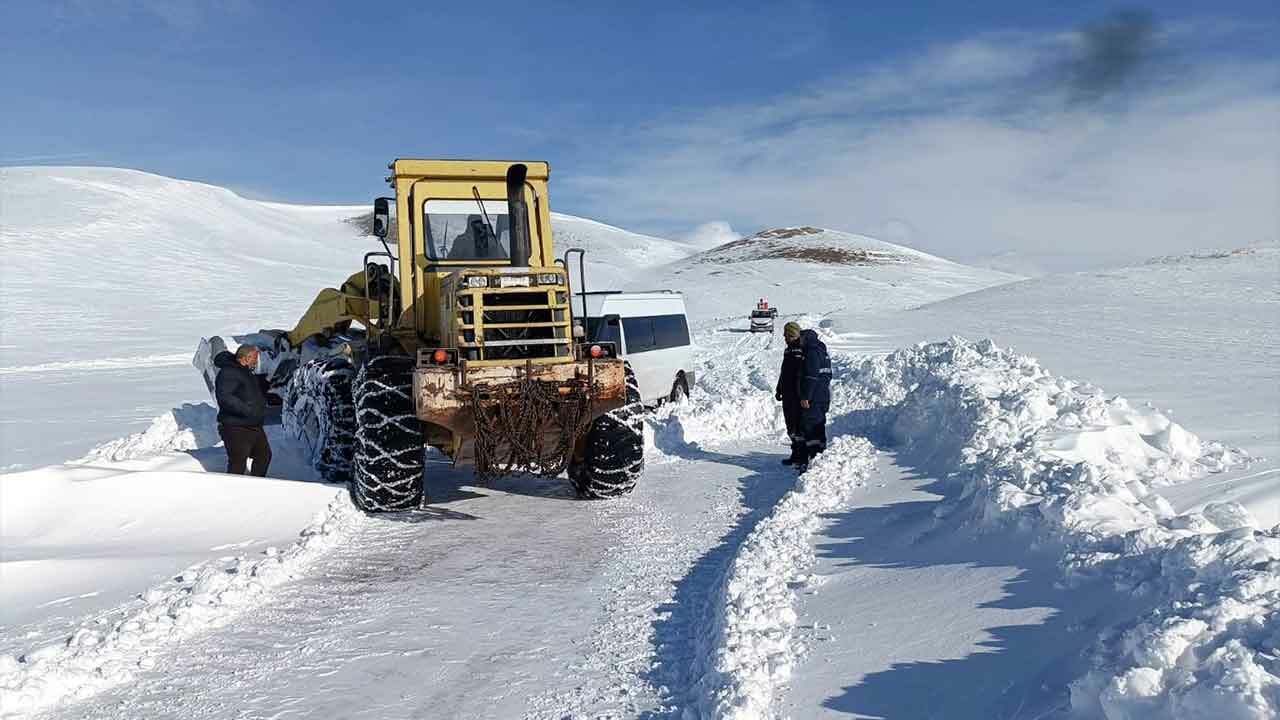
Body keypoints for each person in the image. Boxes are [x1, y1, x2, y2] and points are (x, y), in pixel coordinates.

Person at [213, 345, 272, 476]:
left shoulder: (245, 371)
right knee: (238, 462)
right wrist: (247, 410)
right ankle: (233, 491)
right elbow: (225, 396)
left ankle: (257, 486)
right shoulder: (229, 372)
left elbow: (247, 391)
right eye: (255, 358)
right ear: (246, 358)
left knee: (264, 456)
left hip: (253, 425)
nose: (256, 362)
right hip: (235, 426)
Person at [797, 326, 833, 470]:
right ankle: (820, 458)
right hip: (823, 395)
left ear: (805, 338)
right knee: (819, 427)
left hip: (814, 398)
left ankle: (813, 462)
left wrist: (806, 396)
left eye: (800, 339)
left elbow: (811, 376)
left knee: (810, 428)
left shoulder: (811, 352)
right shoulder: (823, 352)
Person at [775, 322, 807, 465]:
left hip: (796, 395)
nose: (784, 337)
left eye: (787, 335)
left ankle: (802, 456)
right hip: (787, 394)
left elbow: (803, 375)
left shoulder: (801, 350)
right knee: (791, 427)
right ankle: (795, 454)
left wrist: (803, 394)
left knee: (798, 427)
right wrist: (779, 388)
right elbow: (784, 372)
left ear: (793, 335)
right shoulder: (788, 350)